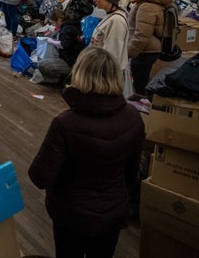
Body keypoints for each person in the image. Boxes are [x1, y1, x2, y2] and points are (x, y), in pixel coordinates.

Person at [28, 47, 145, 258]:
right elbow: (133, 170)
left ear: (79, 74)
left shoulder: (65, 123)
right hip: (113, 211)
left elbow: (40, 177)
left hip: (72, 214)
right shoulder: (133, 116)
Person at [127, 0, 174, 97]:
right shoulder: (146, 2)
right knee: (141, 83)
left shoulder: (146, 6)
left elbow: (142, 35)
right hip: (146, 51)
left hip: (145, 52)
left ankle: (144, 112)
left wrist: (128, 52)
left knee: (141, 88)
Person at [36, 8, 86, 86]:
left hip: (72, 62)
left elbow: (64, 45)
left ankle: (58, 80)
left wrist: (51, 41)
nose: (54, 25)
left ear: (59, 20)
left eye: (54, 23)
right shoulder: (73, 26)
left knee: (41, 64)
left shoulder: (67, 29)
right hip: (76, 59)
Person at [91, 0, 130, 74]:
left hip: (107, 74)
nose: (94, 0)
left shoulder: (117, 20)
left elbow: (112, 55)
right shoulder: (110, 15)